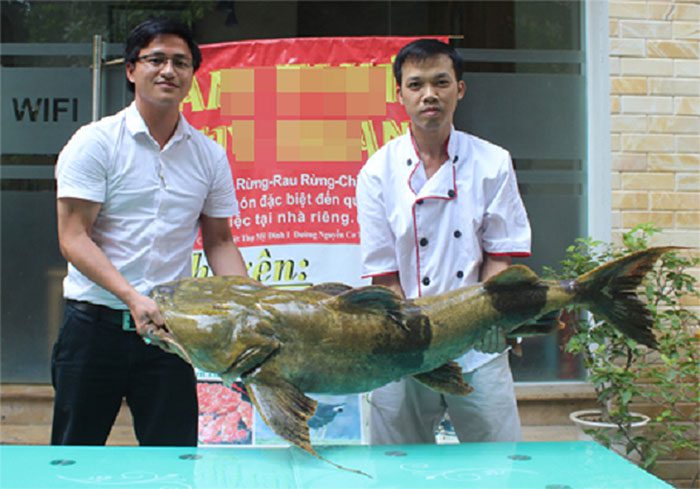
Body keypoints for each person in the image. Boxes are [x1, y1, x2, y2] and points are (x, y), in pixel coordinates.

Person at [51, 17, 247, 447]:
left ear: (193, 75)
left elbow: (219, 241)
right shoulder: (95, 143)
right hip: (93, 328)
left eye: (181, 62)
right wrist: (131, 298)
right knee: (73, 460)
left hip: (167, 337)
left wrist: (251, 303)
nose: (168, 71)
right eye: (156, 59)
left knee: (174, 459)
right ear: (130, 69)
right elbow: (74, 237)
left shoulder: (209, 156)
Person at [355, 39, 531, 445]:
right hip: (403, 341)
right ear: (399, 94)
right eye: (416, 85)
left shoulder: (493, 162)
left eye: (441, 82)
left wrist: (487, 317)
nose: (429, 95)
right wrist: (414, 339)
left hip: (477, 342)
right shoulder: (376, 172)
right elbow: (384, 277)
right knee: (397, 465)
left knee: (496, 463)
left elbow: (500, 256)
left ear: (460, 90)